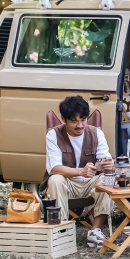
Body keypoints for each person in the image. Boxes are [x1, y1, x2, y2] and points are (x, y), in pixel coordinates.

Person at [41, 96, 115, 248]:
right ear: (63, 119)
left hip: (90, 183)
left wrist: (109, 166)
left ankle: (96, 230)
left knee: (108, 179)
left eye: (83, 119)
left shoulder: (96, 133)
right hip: (67, 183)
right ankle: (59, 229)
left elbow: (105, 161)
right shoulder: (53, 135)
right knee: (55, 179)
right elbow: (55, 168)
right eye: (74, 121)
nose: (80, 125)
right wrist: (80, 171)